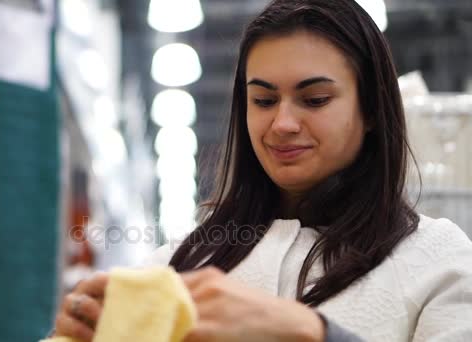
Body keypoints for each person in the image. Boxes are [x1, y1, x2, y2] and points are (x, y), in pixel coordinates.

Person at [52, 0, 472, 341]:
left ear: (371, 110)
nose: (282, 124)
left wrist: (312, 332)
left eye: (315, 99)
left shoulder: (437, 259)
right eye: (264, 101)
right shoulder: (180, 264)